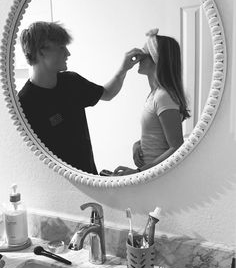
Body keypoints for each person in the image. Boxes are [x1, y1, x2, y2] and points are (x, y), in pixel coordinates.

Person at [18, 21, 142, 174]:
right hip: (58, 189)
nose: (68, 53)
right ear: (41, 51)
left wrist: (124, 68)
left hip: (88, 178)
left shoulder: (72, 82)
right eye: (61, 47)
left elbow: (108, 93)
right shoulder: (24, 103)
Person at [114, 28, 190, 176]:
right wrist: (138, 143)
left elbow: (176, 147)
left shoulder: (163, 96)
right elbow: (159, 134)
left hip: (159, 177)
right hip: (152, 174)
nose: (138, 59)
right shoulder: (154, 95)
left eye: (143, 54)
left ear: (157, 59)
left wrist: (138, 172)